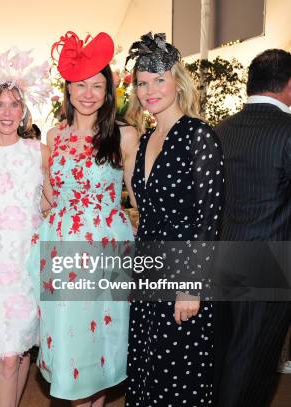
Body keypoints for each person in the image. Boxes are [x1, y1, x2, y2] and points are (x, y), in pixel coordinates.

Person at [30, 31, 139, 407]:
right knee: (73, 345)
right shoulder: (54, 136)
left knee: (102, 344)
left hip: (108, 249)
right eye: (80, 85)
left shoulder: (124, 135)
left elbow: (139, 198)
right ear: (68, 89)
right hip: (63, 251)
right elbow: (50, 193)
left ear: (109, 92)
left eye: (97, 86)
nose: (88, 93)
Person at [123, 32, 224, 406]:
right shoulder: (148, 137)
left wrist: (191, 286)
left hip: (184, 274)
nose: (150, 90)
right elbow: (145, 212)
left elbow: (208, 219)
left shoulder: (198, 136)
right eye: (142, 83)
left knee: (178, 376)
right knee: (148, 368)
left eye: (158, 80)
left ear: (176, 82)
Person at [0, 48, 53, 407]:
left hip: (31, 266)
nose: (7, 112)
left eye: (14, 104)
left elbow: (52, 204)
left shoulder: (40, 152)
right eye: (0, 105)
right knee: (6, 357)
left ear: (23, 111)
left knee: (21, 353)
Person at [214, 48, 291, 407]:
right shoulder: (288, 131)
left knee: (225, 356)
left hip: (222, 256)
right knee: (253, 365)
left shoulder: (220, 131)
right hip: (271, 264)